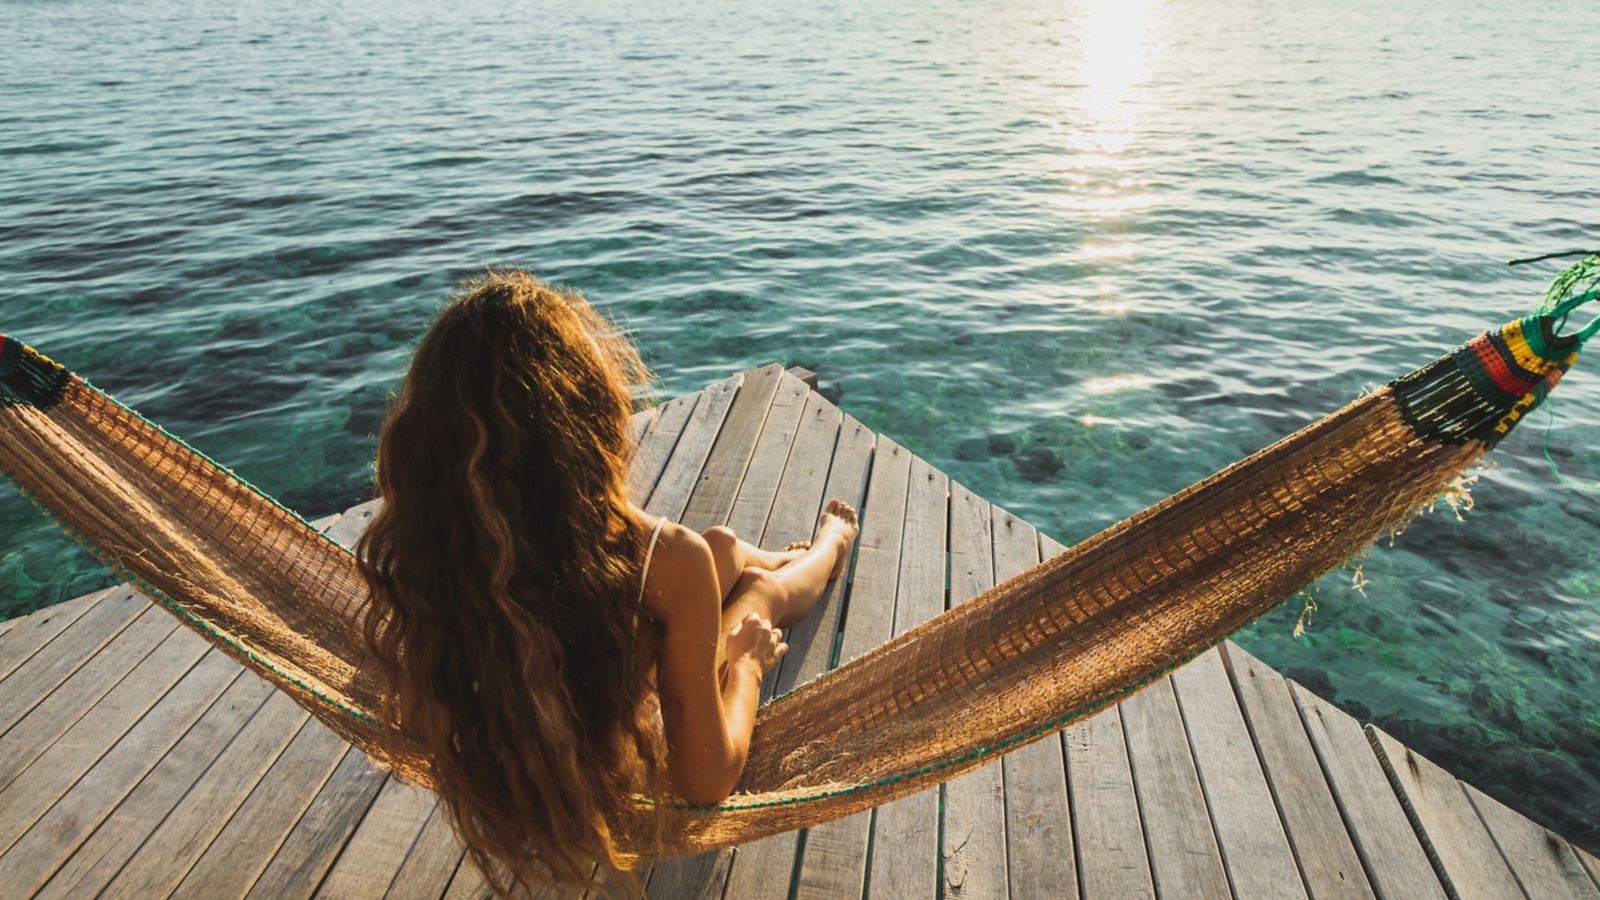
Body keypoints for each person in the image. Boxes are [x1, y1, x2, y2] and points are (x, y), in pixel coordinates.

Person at [354, 269, 859, 894]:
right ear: (585, 426)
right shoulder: (663, 557)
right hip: (600, 724)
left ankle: (772, 553)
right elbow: (706, 781)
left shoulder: (426, 556)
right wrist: (748, 664)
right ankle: (830, 546)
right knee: (754, 596)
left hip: (572, 672)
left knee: (720, 550)